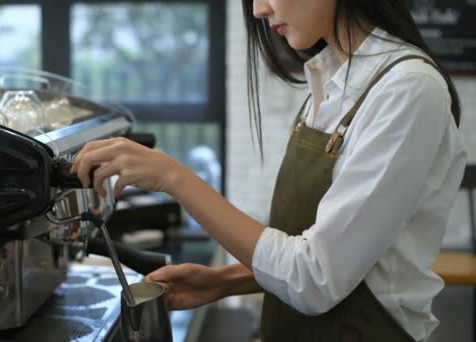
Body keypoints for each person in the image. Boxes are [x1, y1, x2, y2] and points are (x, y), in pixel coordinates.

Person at [70, 0, 466, 340]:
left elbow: (316, 279)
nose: (259, 8)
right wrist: (225, 281)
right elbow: (332, 250)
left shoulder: (408, 89)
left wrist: (174, 178)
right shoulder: (332, 81)